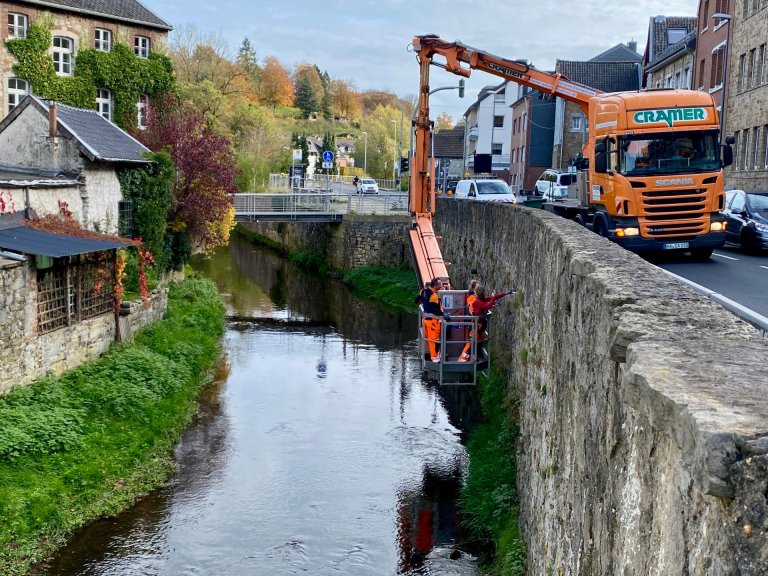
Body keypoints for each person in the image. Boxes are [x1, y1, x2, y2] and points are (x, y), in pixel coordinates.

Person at [459, 285, 512, 362]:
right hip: (476, 325)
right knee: (472, 342)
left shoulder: (481, 300)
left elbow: (492, 298)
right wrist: (493, 297)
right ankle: (464, 359)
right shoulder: (477, 302)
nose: (485, 293)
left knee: (478, 342)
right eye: (484, 292)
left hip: (479, 325)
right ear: (482, 293)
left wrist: (505, 293)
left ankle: (473, 357)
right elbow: (488, 306)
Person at [422, 278, 450, 363]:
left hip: (425, 319)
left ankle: (434, 355)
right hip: (432, 321)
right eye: (440, 284)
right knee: (433, 340)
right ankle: (434, 358)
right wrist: (443, 315)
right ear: (436, 285)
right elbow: (433, 309)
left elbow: (417, 300)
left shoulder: (423, 291)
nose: (441, 285)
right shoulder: (434, 295)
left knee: (430, 340)